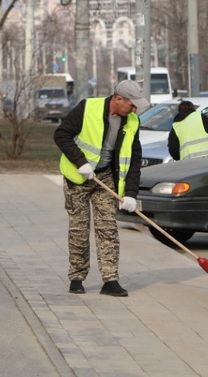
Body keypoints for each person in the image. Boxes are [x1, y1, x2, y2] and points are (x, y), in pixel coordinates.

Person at [54, 79, 147, 297]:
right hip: (78, 177)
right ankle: (76, 277)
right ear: (118, 99)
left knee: (108, 229)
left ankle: (110, 280)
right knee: (79, 229)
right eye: (131, 104)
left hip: (104, 177)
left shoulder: (132, 121)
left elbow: (134, 158)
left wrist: (131, 194)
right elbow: (61, 135)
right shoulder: (87, 108)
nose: (134, 109)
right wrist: (80, 162)